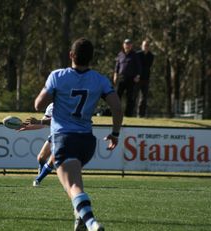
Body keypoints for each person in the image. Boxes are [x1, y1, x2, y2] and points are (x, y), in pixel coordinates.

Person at [34, 38, 123, 231]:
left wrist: (54, 96)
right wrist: (115, 133)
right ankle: (80, 219)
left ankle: (91, 222)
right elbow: (117, 107)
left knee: (73, 185)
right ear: (91, 58)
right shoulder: (100, 80)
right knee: (75, 182)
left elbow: (39, 105)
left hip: (64, 139)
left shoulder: (58, 76)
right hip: (87, 142)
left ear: (71, 55)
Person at [18, 103, 54, 187]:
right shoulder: (51, 106)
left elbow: (60, 120)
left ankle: (38, 179)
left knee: (53, 160)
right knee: (41, 158)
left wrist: (38, 121)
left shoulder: (66, 103)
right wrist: (28, 127)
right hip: (56, 134)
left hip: (69, 133)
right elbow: (44, 124)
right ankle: (39, 178)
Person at [113, 38, 141, 117]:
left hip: (131, 79)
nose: (127, 45)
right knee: (118, 96)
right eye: (126, 44)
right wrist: (115, 75)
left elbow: (138, 67)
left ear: (131, 45)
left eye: (129, 44)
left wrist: (137, 76)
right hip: (121, 78)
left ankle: (128, 114)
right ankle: (116, 112)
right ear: (123, 45)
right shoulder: (120, 54)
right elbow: (117, 66)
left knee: (130, 97)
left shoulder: (135, 55)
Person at [136, 40, 154, 117]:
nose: (145, 47)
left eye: (147, 45)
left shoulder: (151, 56)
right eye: (144, 45)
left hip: (146, 78)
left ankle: (141, 114)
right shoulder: (137, 54)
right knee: (133, 96)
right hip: (137, 78)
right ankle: (130, 114)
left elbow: (148, 66)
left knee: (144, 97)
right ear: (141, 46)